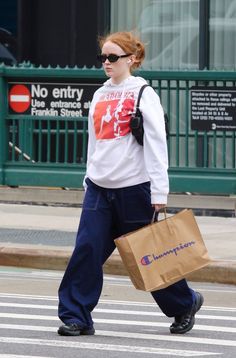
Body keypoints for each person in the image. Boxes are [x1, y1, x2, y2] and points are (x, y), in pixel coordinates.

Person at [57, 31, 203, 336]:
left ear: (131, 59)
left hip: (135, 188)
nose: (107, 63)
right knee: (87, 249)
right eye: (103, 58)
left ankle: (184, 303)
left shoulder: (143, 93)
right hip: (99, 187)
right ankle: (76, 316)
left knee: (148, 254)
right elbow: (94, 141)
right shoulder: (99, 94)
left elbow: (156, 143)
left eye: (113, 57)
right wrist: (88, 177)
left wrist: (159, 190)